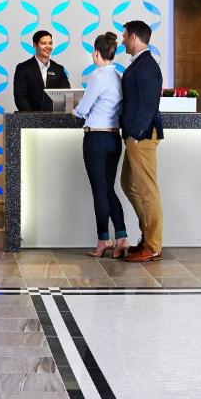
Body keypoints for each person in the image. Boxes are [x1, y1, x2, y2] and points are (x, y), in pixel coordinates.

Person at [72, 32, 128, 258]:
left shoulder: (97, 76)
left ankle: (103, 240)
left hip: (96, 138)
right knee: (108, 189)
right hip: (114, 138)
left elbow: (83, 110)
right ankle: (122, 237)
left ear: (96, 53)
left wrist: (74, 110)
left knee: (99, 191)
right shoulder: (118, 76)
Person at [118, 20, 164, 262]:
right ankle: (147, 238)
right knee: (129, 184)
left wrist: (135, 134)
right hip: (136, 135)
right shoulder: (140, 64)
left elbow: (148, 103)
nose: (122, 40)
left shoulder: (145, 66)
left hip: (142, 136)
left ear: (134, 37)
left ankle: (153, 245)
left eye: (124, 36)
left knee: (147, 191)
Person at [13, 30, 71, 111]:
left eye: (50, 43)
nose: (48, 46)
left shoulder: (59, 69)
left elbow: (66, 95)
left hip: (55, 119)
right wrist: (33, 118)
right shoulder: (23, 68)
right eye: (44, 43)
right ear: (35, 45)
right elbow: (20, 97)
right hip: (31, 119)